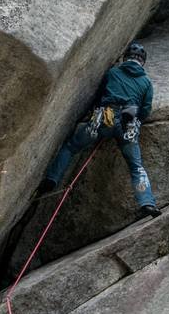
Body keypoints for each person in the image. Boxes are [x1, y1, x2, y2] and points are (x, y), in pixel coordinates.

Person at [37, 42, 161, 218]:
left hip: (103, 119)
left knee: (71, 147)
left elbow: (99, 96)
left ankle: (52, 179)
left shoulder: (113, 72)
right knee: (136, 167)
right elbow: (145, 110)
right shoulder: (146, 82)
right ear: (143, 62)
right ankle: (147, 202)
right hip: (128, 127)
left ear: (126, 58)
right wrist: (136, 121)